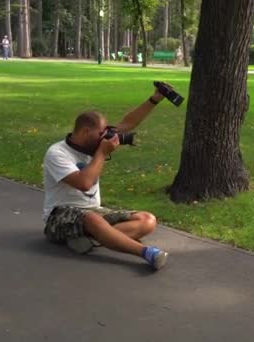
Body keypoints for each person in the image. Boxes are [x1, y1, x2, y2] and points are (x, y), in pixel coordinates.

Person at [42, 82, 174, 270]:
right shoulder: (57, 153)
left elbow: (128, 123)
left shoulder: (94, 143)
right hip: (58, 218)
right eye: (101, 133)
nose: (105, 137)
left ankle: (89, 240)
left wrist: (155, 99)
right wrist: (102, 154)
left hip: (94, 212)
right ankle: (147, 253)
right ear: (86, 131)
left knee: (147, 221)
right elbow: (84, 183)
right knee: (92, 219)